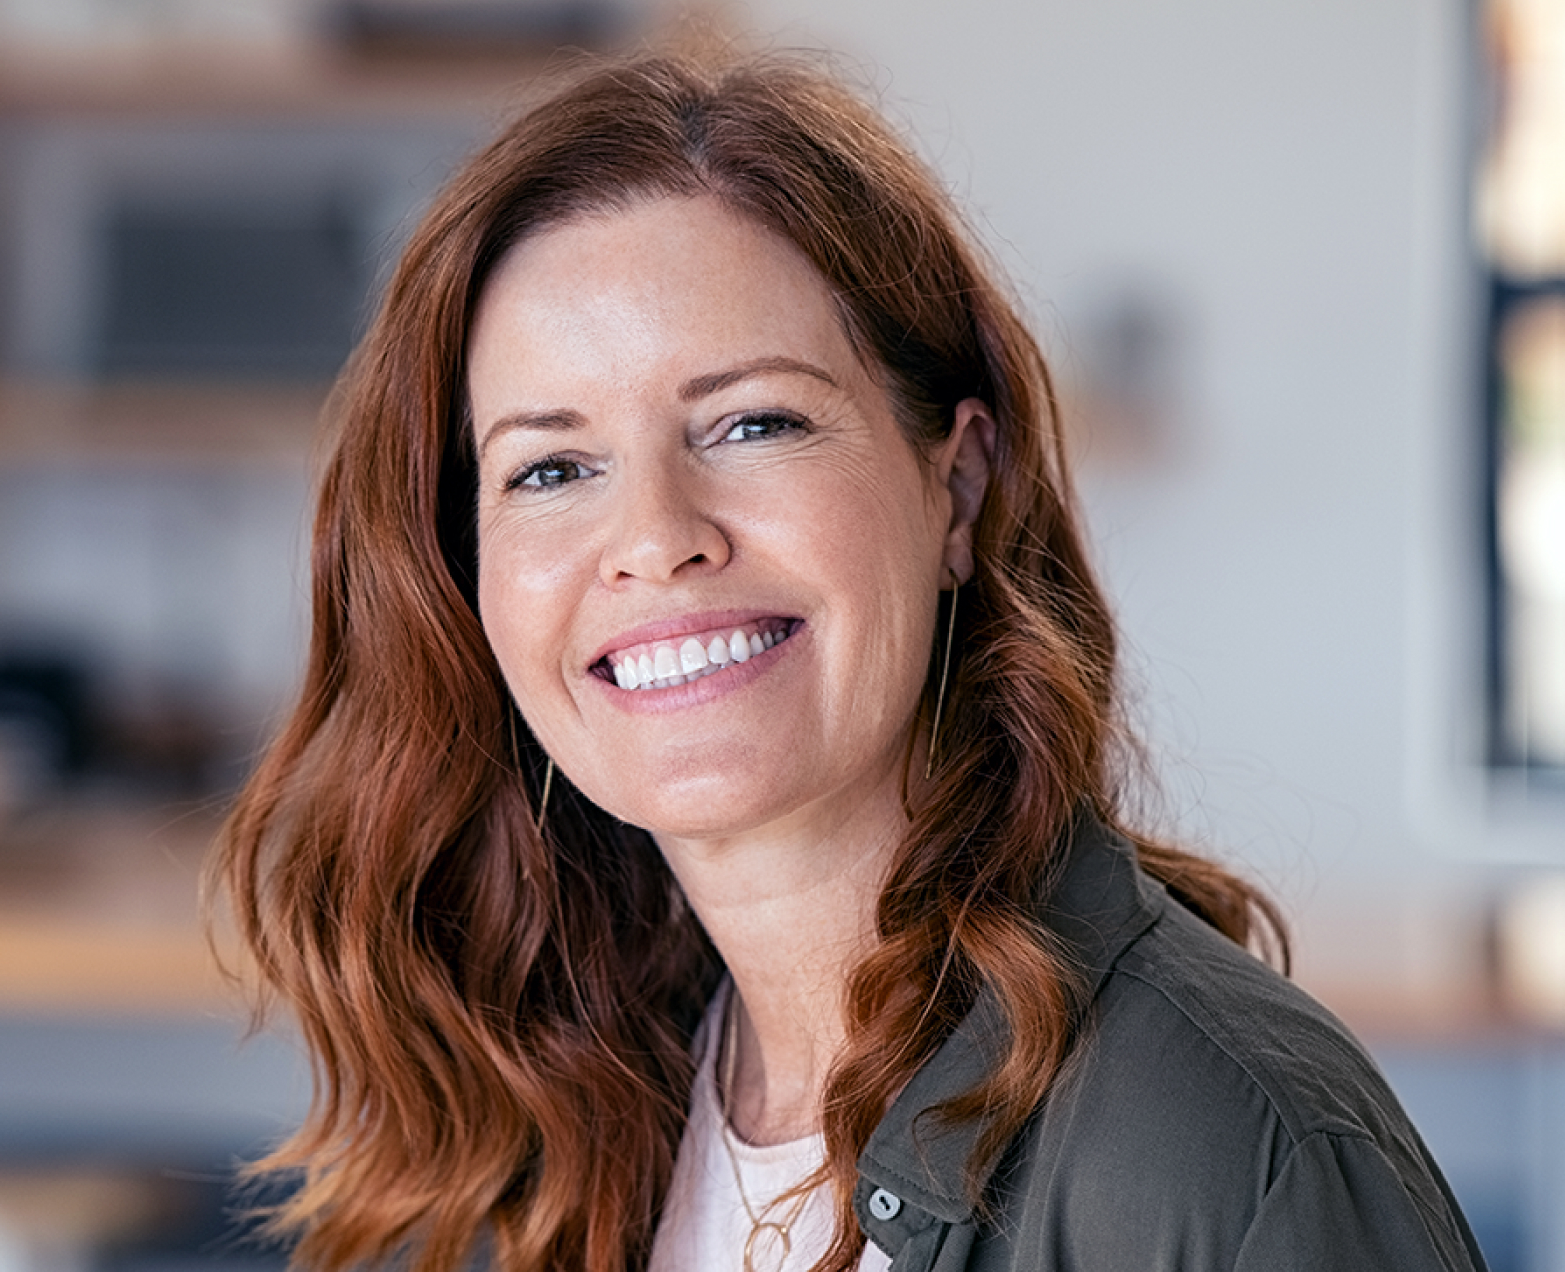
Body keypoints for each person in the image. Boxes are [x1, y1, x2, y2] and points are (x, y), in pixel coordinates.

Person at [210, 46, 1488, 1272]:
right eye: (551, 468)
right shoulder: (572, 1112)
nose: (654, 540)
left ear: (958, 488)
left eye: (754, 422)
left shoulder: (1226, 1153)